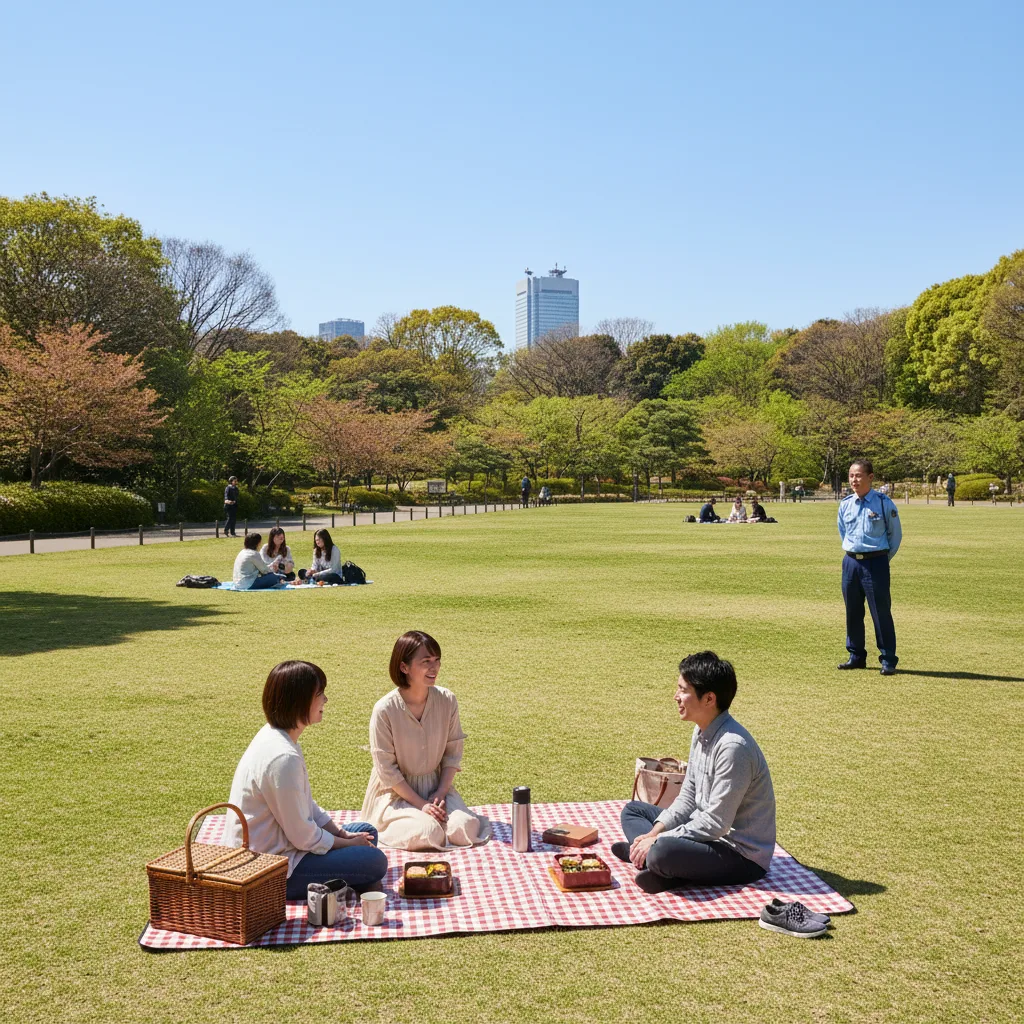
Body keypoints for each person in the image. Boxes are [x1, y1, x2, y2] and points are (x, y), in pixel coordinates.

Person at [613, 651, 776, 894]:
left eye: (683, 690)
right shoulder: (701, 731)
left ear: (709, 699)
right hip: (704, 836)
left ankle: (654, 859)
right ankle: (652, 858)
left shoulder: (733, 748)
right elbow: (688, 797)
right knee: (634, 810)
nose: (675, 697)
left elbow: (717, 823)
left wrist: (659, 840)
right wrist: (654, 832)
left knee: (662, 851)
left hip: (739, 856)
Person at [224, 661, 388, 899]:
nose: (325, 700)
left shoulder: (278, 737)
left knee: (366, 831)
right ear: (299, 700)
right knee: (374, 861)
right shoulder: (282, 757)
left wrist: (341, 834)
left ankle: (353, 878)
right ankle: (357, 879)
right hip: (272, 869)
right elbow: (303, 837)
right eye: (320, 694)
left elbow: (305, 806)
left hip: (288, 847)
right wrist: (348, 845)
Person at [360, 631, 491, 850]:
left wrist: (440, 793)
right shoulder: (384, 709)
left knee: (464, 829)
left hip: (437, 789)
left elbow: (452, 754)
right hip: (395, 794)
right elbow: (387, 770)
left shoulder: (447, 700)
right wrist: (421, 805)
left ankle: (437, 820)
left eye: (437, 660)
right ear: (404, 667)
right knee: (428, 832)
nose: (434, 667)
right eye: (426, 662)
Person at [837, 458, 902, 676]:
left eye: (858, 475)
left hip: (876, 563)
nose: (854, 480)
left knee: (880, 612)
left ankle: (888, 658)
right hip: (851, 563)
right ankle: (856, 655)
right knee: (852, 612)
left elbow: (895, 535)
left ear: (870, 477)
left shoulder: (883, 503)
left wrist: (881, 558)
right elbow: (843, 532)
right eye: (851, 476)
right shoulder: (845, 504)